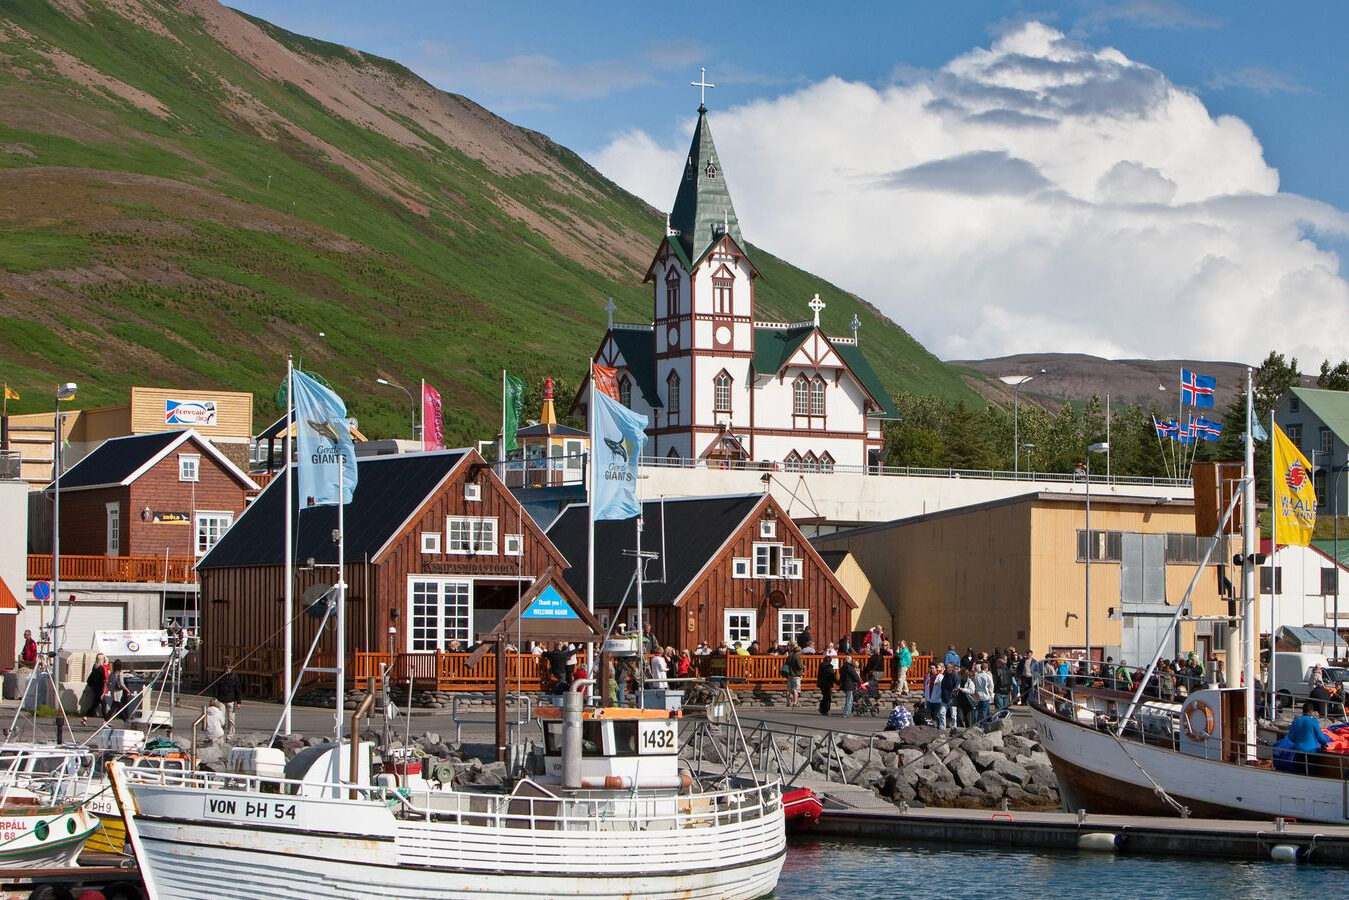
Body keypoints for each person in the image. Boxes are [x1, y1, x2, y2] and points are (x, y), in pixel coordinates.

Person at [1287, 701, 1332, 775]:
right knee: (1311, 772)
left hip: (1298, 751)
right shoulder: (1313, 721)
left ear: (1303, 710)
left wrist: (1298, 741)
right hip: (1311, 752)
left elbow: (1290, 737)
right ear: (1311, 711)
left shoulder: (1297, 721)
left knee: (1299, 774)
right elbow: (1320, 736)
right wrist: (1325, 743)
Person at [80, 653, 110, 727]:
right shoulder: (101, 669)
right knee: (103, 704)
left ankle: (85, 717)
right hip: (100, 689)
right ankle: (105, 721)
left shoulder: (95, 667)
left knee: (95, 704)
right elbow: (103, 679)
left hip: (95, 689)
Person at [215, 663, 243, 736]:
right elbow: (216, 689)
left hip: (231, 701)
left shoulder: (234, 677)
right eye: (226, 668)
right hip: (221, 701)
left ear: (232, 668)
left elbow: (238, 690)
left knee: (231, 719)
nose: (228, 669)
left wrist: (239, 702)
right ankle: (221, 734)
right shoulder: (220, 676)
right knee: (221, 719)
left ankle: (230, 735)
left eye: (229, 668)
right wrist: (215, 699)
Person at [940, 663, 960, 730]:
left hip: (952, 698)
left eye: (948, 667)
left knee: (953, 714)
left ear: (952, 668)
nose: (947, 669)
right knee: (942, 712)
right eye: (946, 667)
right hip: (944, 697)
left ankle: (954, 727)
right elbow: (942, 686)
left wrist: (953, 693)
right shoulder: (945, 676)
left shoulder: (955, 676)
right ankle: (942, 727)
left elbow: (957, 686)